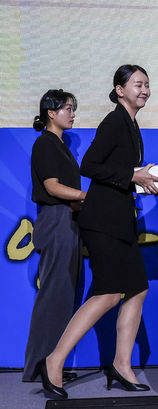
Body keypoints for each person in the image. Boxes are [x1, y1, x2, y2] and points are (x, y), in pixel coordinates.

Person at [36, 65, 158, 399]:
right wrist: (132, 175)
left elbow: (118, 171)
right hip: (102, 221)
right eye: (138, 84)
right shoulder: (114, 121)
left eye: (147, 85)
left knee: (137, 289)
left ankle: (121, 365)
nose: (144, 90)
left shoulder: (131, 124)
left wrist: (141, 179)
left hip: (120, 220)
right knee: (108, 294)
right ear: (120, 90)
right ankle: (54, 360)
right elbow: (90, 165)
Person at [24, 90, 85, 385]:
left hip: (68, 220)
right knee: (53, 297)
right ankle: (39, 366)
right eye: (68, 108)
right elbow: (52, 187)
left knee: (63, 297)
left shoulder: (60, 145)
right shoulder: (46, 143)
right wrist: (88, 196)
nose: (72, 114)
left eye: (73, 109)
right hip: (56, 220)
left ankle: (53, 363)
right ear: (51, 112)